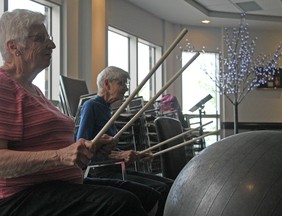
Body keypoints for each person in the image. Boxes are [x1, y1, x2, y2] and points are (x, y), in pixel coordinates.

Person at [0, 9, 158, 216]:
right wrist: (60, 156)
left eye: (50, 38)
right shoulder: (4, 85)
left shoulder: (33, 89)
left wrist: (91, 147)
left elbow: (54, 146)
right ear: (14, 47)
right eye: (41, 39)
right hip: (19, 197)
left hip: (57, 184)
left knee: (150, 196)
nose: (52, 45)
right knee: (122, 204)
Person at [77, 66, 174, 216]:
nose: (126, 89)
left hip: (115, 168)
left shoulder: (107, 109)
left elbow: (107, 150)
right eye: (122, 83)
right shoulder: (91, 106)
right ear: (107, 84)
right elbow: (82, 148)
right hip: (100, 172)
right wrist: (118, 156)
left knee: (169, 185)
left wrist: (133, 155)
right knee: (161, 190)